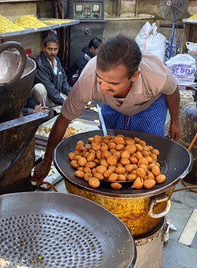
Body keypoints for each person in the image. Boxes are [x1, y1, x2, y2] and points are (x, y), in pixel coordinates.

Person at [32, 33, 182, 182]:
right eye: (100, 79)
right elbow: (64, 119)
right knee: (112, 144)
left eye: (113, 83)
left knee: (150, 152)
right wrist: (47, 160)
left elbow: (172, 91)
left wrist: (175, 121)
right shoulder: (88, 79)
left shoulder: (156, 76)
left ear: (134, 76)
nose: (103, 88)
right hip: (113, 105)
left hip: (149, 104)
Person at [32, 32, 72, 107]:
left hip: (56, 93)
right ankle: (46, 110)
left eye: (55, 49)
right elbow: (49, 88)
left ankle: (57, 107)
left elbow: (64, 81)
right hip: (46, 97)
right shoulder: (40, 63)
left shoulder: (57, 60)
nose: (52, 52)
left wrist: (71, 94)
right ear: (43, 48)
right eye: (49, 49)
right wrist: (63, 102)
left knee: (73, 101)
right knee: (39, 88)